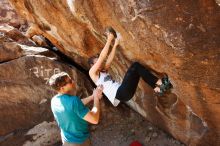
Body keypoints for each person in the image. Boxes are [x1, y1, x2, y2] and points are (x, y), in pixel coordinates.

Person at [88, 27, 173, 107]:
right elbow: (102, 57)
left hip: (124, 94)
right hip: (121, 93)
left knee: (138, 71)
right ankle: (160, 83)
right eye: (96, 62)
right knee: (135, 66)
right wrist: (109, 40)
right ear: (92, 66)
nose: (99, 62)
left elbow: (109, 60)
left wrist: (115, 45)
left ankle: (157, 88)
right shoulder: (92, 73)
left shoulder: (102, 72)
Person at [49, 72, 103, 146]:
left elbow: (74, 106)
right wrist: (96, 98)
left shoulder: (54, 100)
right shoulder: (73, 101)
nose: (73, 82)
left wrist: (92, 97)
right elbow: (94, 119)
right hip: (79, 142)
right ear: (62, 88)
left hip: (66, 140)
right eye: (70, 81)